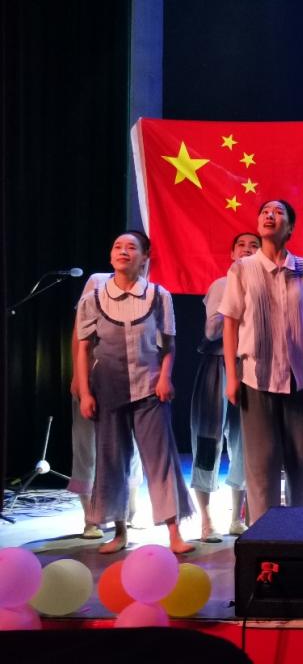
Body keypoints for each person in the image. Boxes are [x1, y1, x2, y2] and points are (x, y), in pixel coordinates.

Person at [75, 230, 194, 553]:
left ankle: (174, 533)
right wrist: (85, 392)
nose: (123, 251)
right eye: (117, 246)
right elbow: (83, 348)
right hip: (108, 390)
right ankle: (119, 532)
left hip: (149, 388)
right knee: (112, 460)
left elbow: (168, 344)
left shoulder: (158, 295)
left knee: (160, 460)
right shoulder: (93, 298)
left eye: (131, 247)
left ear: (145, 257)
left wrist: (165, 378)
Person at [220, 200, 303, 524]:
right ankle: (264, 534)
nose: (270, 215)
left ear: (291, 228)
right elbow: (230, 323)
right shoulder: (242, 269)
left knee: (302, 461)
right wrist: (232, 376)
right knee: (262, 464)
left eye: (278, 212)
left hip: (301, 376)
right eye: (265, 212)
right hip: (256, 376)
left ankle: (299, 531)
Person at [190, 232, 260, 542]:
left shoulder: (264, 285)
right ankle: (206, 519)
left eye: (254, 245)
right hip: (217, 367)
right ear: (232, 253)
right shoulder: (221, 284)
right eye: (241, 245)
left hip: (250, 368)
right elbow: (211, 331)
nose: (247, 249)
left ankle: (238, 517)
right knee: (208, 440)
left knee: (245, 443)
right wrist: (236, 300)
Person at [69, 330, 142, 539]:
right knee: (88, 447)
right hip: (93, 378)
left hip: (128, 376)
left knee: (130, 445)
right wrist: (79, 378)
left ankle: (131, 510)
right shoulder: (89, 304)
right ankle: (91, 518)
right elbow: (80, 337)